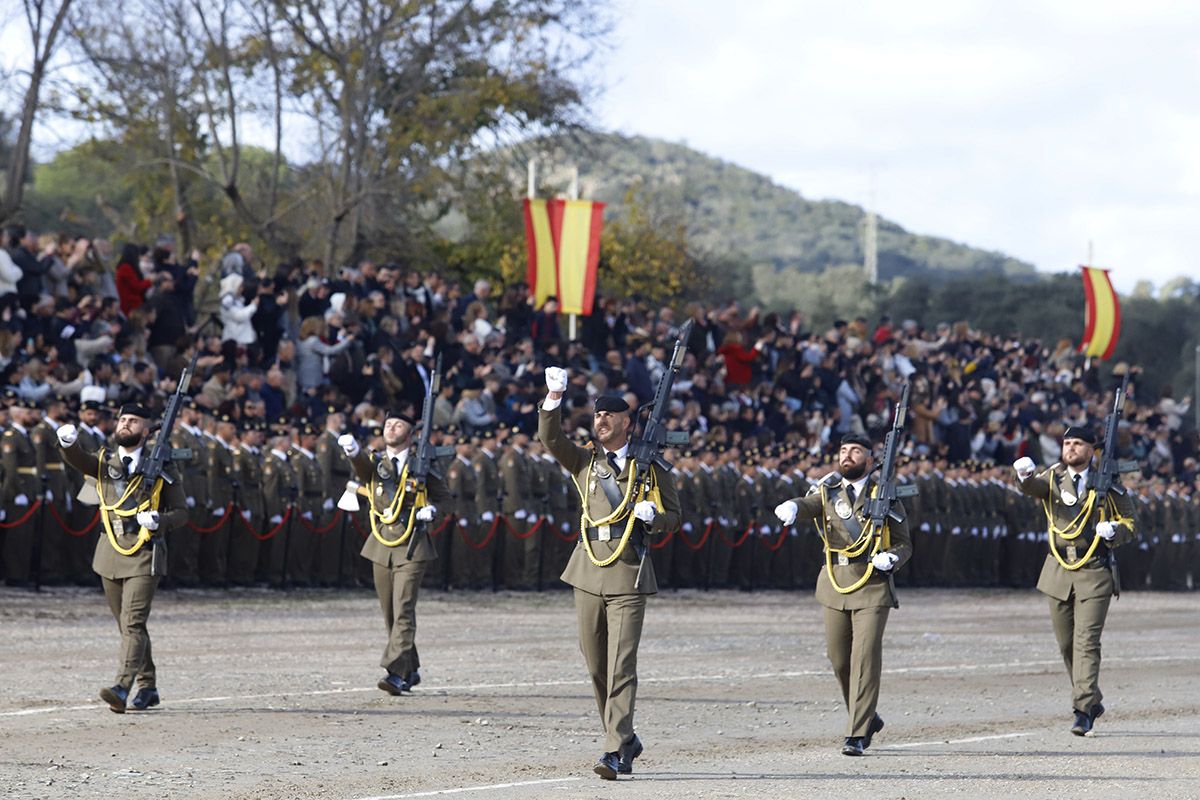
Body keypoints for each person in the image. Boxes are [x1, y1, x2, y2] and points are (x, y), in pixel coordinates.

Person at [538, 367, 681, 780]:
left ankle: (615, 750)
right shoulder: (584, 460)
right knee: (596, 663)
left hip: (628, 571)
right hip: (588, 568)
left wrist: (654, 518)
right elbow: (550, 439)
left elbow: (675, 516)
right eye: (597, 415)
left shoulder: (651, 467)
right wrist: (553, 396)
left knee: (621, 664)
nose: (599, 420)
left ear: (626, 422)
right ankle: (626, 736)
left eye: (608, 416)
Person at [774, 432, 912, 756]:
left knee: (864, 657)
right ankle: (866, 714)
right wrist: (793, 506)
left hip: (873, 583)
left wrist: (892, 558)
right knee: (839, 660)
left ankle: (857, 733)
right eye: (843, 450)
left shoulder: (886, 495)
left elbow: (905, 542)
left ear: (870, 458)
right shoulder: (828, 491)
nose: (847, 455)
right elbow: (810, 504)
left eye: (855, 451)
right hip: (836, 581)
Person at [57, 404, 188, 713]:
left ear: (147, 430)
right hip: (110, 551)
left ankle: (121, 686)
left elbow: (182, 513)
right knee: (128, 626)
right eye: (123, 419)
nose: (126, 424)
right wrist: (67, 444)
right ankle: (149, 686)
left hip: (144, 551)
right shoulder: (106, 461)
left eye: (134, 421)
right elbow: (81, 461)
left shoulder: (164, 466)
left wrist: (160, 520)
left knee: (133, 622)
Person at [1013, 425, 1137, 736]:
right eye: (1067, 443)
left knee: (1086, 642)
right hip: (1058, 569)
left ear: (1091, 449)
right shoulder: (1054, 476)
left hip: (1094, 569)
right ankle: (1092, 698)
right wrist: (1025, 477)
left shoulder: (1107, 481)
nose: (1070, 448)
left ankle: (1082, 709)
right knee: (1066, 644)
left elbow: (1130, 522)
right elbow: (1034, 490)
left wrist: (1114, 531)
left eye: (1077, 443)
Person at [339, 410, 450, 695]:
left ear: (411, 434)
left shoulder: (421, 465)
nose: (391, 428)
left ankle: (395, 674)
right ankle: (410, 670)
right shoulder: (376, 463)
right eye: (388, 424)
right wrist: (353, 451)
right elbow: (363, 469)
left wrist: (433, 510)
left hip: (413, 545)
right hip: (382, 545)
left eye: (398, 424)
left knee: (403, 610)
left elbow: (445, 499)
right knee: (389, 613)